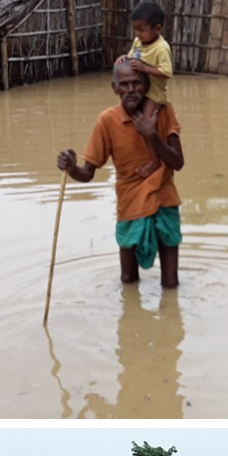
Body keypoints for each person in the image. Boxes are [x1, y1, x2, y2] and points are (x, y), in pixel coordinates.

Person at [56, 58, 184, 289]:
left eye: (137, 83)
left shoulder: (162, 111)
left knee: (171, 283)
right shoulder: (107, 121)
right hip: (129, 204)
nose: (131, 90)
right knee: (128, 280)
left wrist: (152, 135)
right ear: (114, 88)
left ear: (146, 85)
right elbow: (87, 173)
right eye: (124, 85)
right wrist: (71, 167)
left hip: (165, 200)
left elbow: (178, 162)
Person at [125, 0, 173, 178]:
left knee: (145, 122)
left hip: (154, 93)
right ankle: (137, 154)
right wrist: (123, 59)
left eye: (142, 30)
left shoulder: (161, 48)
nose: (137, 34)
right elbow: (131, 58)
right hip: (140, 89)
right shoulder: (138, 42)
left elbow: (167, 72)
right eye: (135, 29)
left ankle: (154, 161)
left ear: (157, 29)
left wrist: (145, 68)